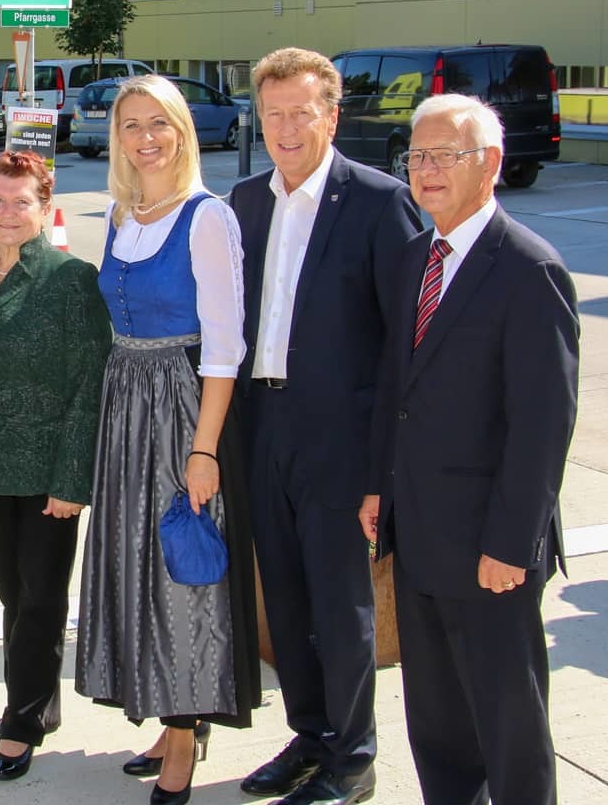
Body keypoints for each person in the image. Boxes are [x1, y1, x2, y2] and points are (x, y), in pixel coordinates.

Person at [361, 95, 578, 805]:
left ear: (489, 164)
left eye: (444, 156)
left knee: (507, 724)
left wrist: (511, 545)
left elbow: (543, 425)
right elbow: (396, 385)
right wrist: (380, 487)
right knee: (439, 725)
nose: (425, 170)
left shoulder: (528, 269)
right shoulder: (415, 259)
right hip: (421, 534)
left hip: (491, 549)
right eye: (416, 156)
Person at [228, 48, 420, 805]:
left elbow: (406, 344)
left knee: (342, 606)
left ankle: (353, 757)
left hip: (342, 439)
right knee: (283, 595)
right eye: (272, 114)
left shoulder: (379, 202)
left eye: (300, 113)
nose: (285, 129)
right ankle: (309, 736)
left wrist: (384, 470)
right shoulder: (245, 201)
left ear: (331, 117)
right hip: (262, 426)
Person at [74, 75, 260, 805]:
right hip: (125, 402)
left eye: (159, 123)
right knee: (139, 565)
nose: (145, 137)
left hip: (181, 406)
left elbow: (225, 345)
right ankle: (167, 713)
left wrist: (203, 449)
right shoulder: (122, 213)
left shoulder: (207, 218)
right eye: (131, 124)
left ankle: (185, 734)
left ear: (183, 131)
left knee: (182, 570)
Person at [0, 150, 110, 781]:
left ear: (46, 208)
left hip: (46, 475)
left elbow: (90, 383)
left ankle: (23, 721)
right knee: (12, 593)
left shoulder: (71, 279)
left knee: (39, 598)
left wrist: (72, 479)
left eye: (23, 201)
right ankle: (34, 702)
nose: (9, 212)